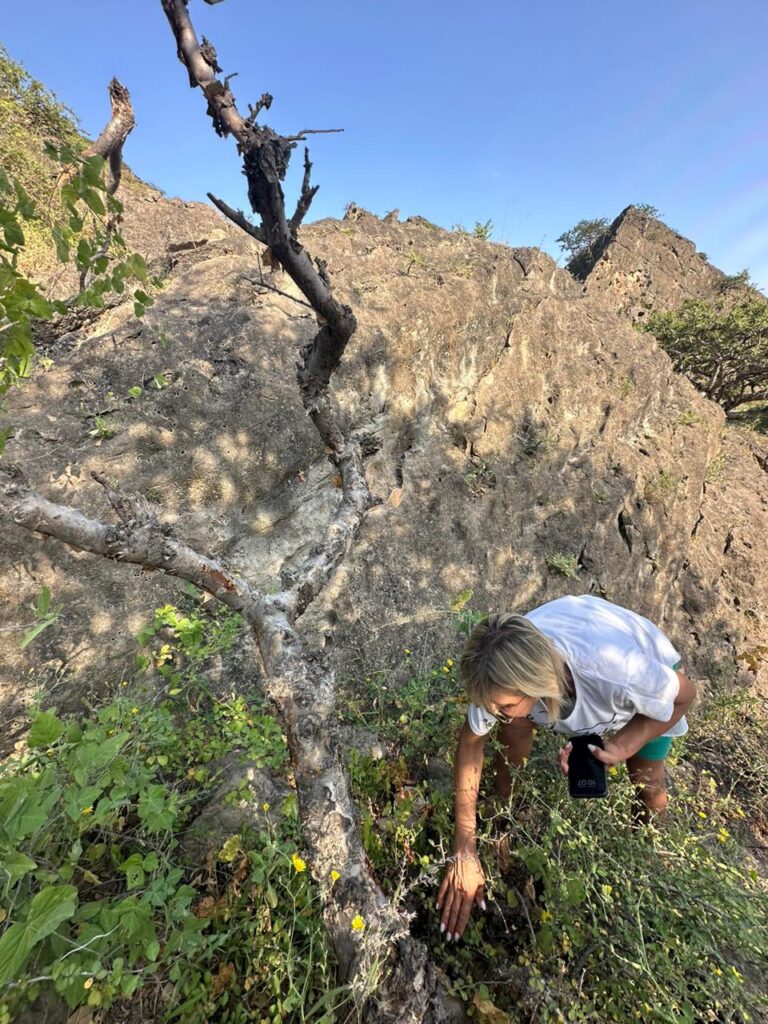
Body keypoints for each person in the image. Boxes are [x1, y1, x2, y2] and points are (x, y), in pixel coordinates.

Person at [436, 594, 696, 943]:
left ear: (536, 684)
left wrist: (622, 744)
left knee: (647, 788)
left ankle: (653, 873)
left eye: (505, 705)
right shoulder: (497, 670)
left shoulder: (620, 672)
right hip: (573, 668)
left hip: (648, 680)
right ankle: (504, 812)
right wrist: (464, 847)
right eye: (490, 706)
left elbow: (685, 695)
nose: (493, 714)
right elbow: (471, 743)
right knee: (512, 728)